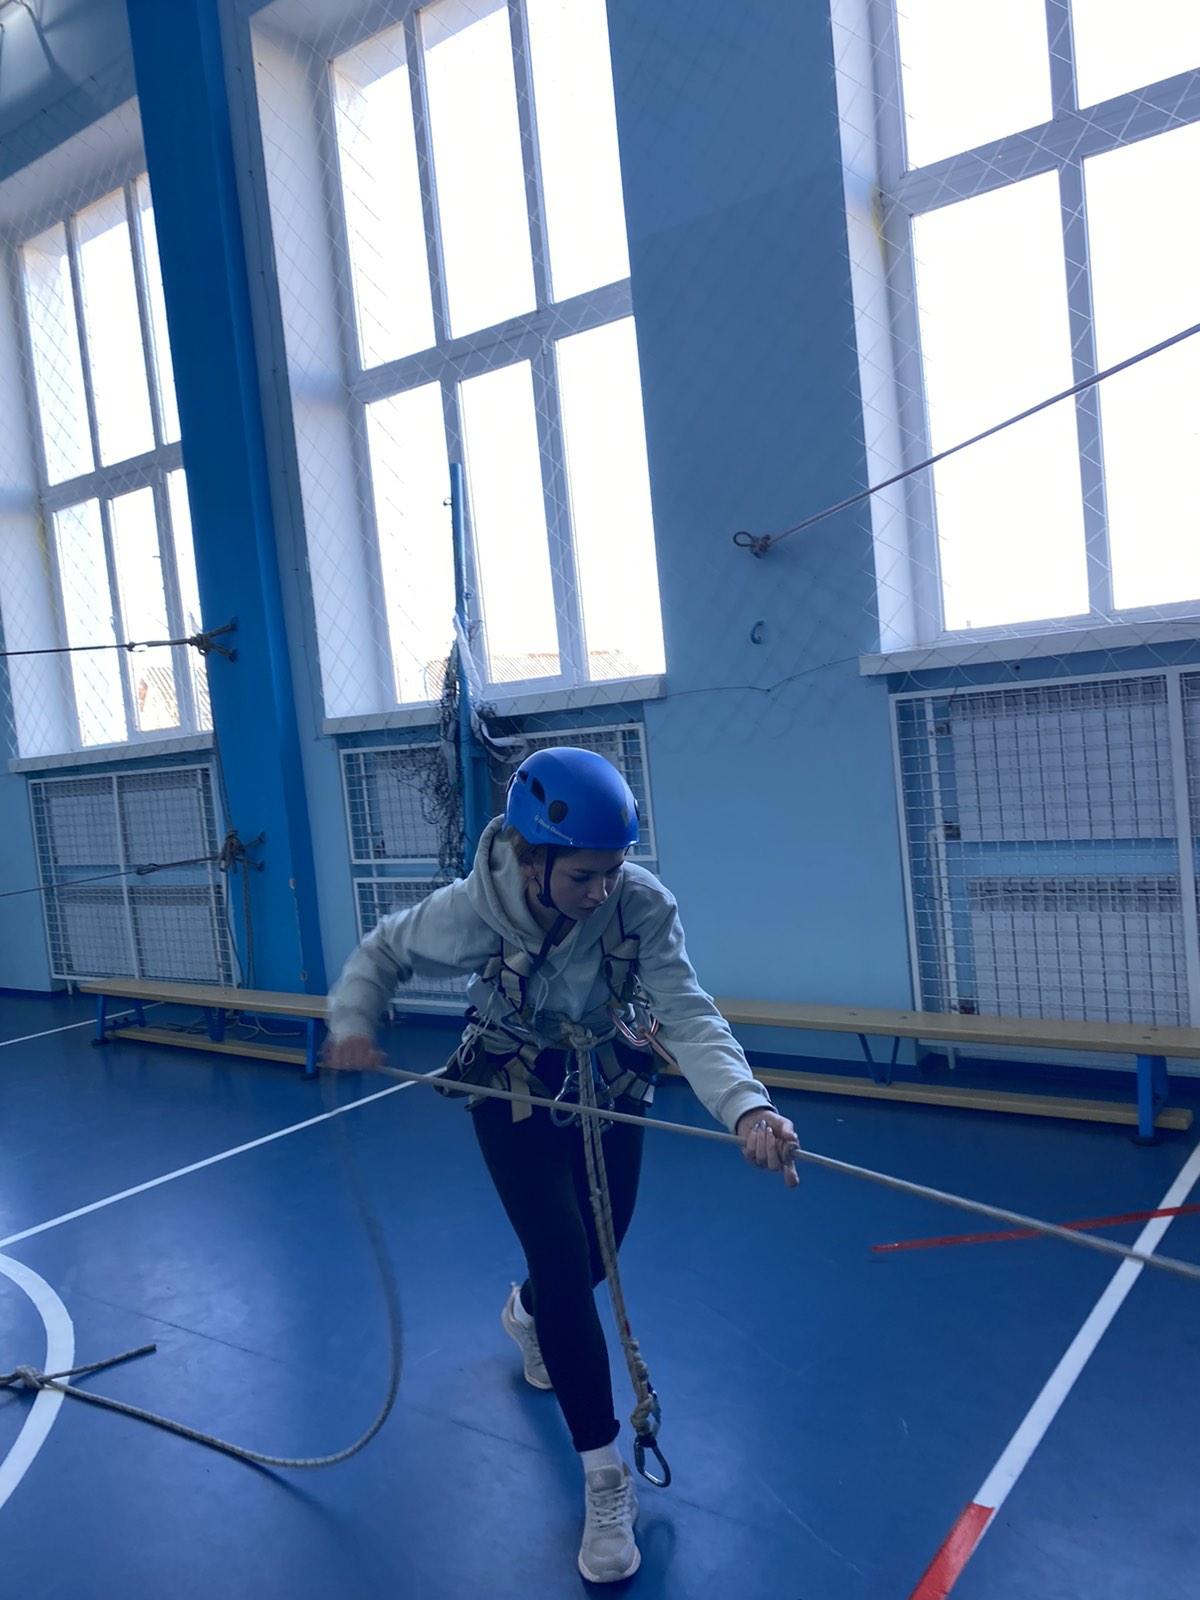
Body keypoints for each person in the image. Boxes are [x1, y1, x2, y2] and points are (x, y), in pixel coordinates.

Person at [324, 746, 798, 1583]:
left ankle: (528, 1315)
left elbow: (688, 1013)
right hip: (511, 1082)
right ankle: (604, 1473)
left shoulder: (641, 907)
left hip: (607, 1078)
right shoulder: (476, 909)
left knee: (595, 1259)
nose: (602, 890)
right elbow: (382, 950)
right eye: (583, 875)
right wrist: (355, 1018)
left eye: (613, 870)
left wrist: (747, 1107)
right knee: (562, 1253)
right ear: (530, 859)